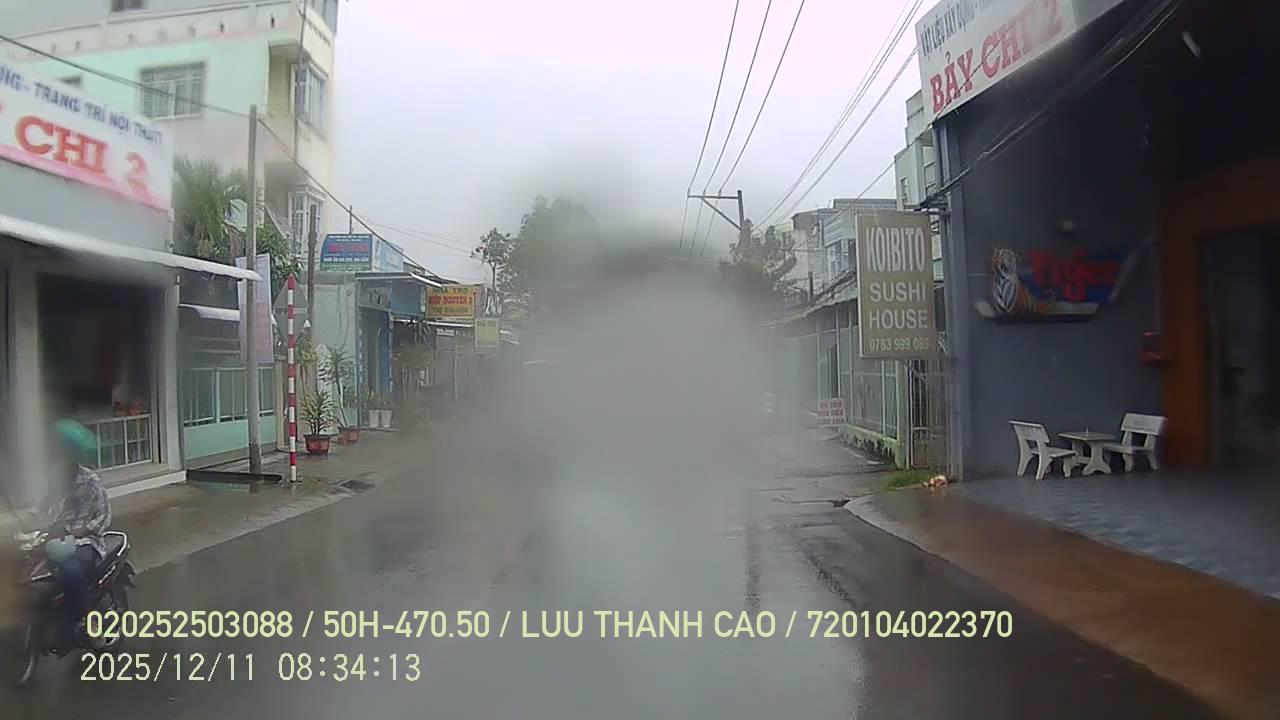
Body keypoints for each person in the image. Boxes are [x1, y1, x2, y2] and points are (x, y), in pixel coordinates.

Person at [40, 419, 112, 644]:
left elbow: (104, 515)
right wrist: (29, 520)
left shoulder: (90, 480)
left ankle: (87, 622)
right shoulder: (55, 477)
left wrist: (83, 531)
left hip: (87, 543)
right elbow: (46, 505)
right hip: (59, 539)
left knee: (71, 573)